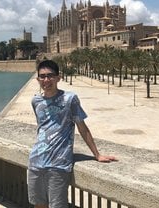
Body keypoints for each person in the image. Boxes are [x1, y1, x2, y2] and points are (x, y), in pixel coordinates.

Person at [27, 60, 117, 208]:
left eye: (50, 76)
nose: (46, 80)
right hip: (36, 162)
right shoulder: (36, 101)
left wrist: (97, 154)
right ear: (37, 79)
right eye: (42, 76)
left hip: (59, 165)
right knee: (39, 205)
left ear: (58, 77)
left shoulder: (70, 99)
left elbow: (82, 128)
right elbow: (42, 127)